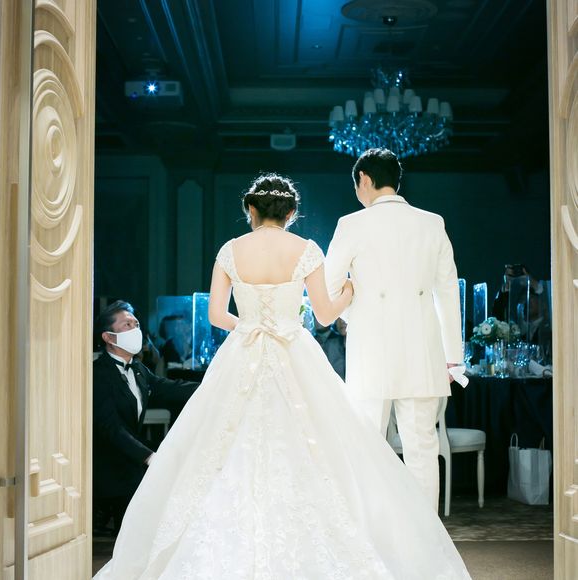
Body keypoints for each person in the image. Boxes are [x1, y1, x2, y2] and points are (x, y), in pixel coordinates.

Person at [94, 174, 470, 579]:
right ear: (291, 212)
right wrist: (348, 291)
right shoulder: (306, 250)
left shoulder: (230, 251)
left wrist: (249, 326)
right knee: (314, 442)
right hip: (295, 351)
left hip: (244, 351)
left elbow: (216, 315)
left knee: (224, 442)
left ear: (251, 210)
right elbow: (324, 314)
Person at [325, 148, 464, 510]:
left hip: (371, 348)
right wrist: (454, 358)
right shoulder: (432, 223)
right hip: (423, 349)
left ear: (365, 179)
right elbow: (448, 292)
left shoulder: (351, 224)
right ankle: (426, 532)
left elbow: (329, 288)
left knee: (368, 443)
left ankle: (373, 528)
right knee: (422, 447)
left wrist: (358, 308)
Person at [93, 301, 199, 533]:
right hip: (109, 467)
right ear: (108, 337)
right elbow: (111, 428)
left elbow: (169, 388)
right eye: (127, 325)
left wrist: (213, 385)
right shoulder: (98, 374)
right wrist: (149, 457)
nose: (135, 330)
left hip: (131, 462)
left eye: (137, 324)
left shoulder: (139, 369)